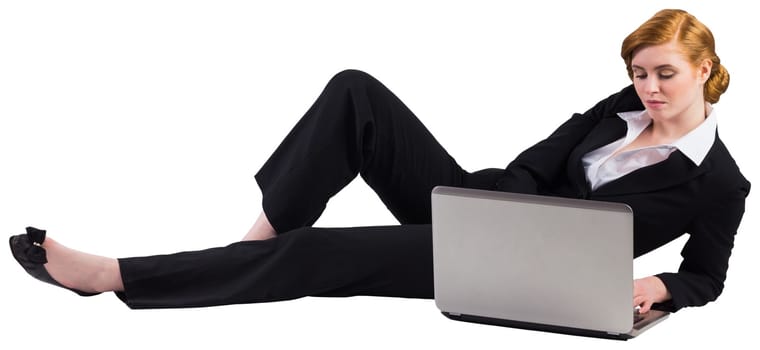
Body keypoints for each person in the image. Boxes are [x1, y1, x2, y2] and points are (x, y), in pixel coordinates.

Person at [10, 9, 750, 315]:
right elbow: (536, 161)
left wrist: (657, 285)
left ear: (705, 68)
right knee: (356, 94)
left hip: (535, 272)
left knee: (322, 255)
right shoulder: (618, 105)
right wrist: (500, 200)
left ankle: (115, 277)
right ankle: (251, 246)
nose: (649, 88)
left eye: (665, 76)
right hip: (491, 210)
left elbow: (707, 277)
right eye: (640, 73)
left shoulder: (720, 181)